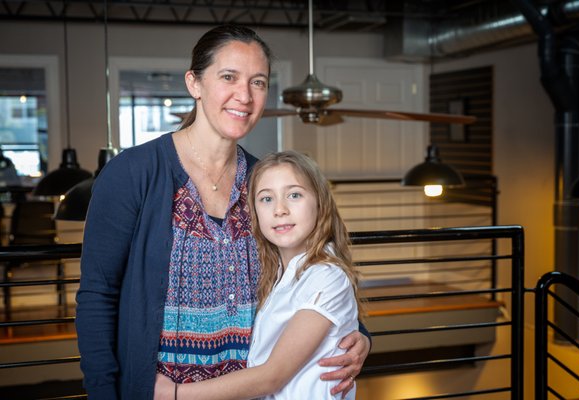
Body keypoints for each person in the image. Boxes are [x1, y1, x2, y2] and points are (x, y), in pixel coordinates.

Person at [75, 24, 370, 400]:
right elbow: (97, 296)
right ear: (194, 84)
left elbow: (312, 268)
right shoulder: (133, 174)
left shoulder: (266, 183)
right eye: (228, 77)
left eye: (258, 82)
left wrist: (359, 335)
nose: (244, 96)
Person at [154, 150, 362, 400]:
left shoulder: (326, 276)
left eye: (294, 195)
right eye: (266, 199)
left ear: (320, 202)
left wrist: (175, 394)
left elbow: (272, 376)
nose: (280, 210)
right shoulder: (276, 273)